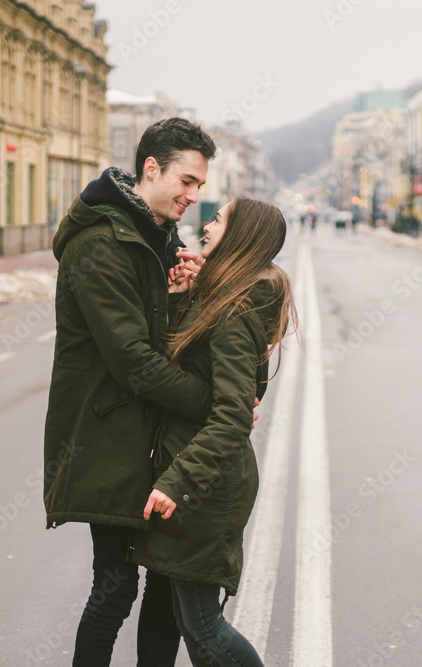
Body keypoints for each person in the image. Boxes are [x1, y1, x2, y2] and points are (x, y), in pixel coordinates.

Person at [43, 117, 225, 667]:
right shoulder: (102, 244)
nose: (194, 197)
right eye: (187, 182)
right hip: (106, 439)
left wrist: (176, 297)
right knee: (116, 587)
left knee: (166, 584)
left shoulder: (153, 236)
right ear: (151, 169)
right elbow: (133, 361)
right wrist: (212, 405)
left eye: (199, 186)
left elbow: (154, 337)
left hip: (143, 437)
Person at [132, 197, 297, 667]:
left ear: (240, 235)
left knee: (203, 624)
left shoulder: (233, 310)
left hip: (206, 487)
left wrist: (174, 484)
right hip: (198, 477)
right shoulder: (222, 299)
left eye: (219, 219)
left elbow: (232, 413)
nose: (207, 224)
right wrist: (181, 297)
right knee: (191, 622)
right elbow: (199, 367)